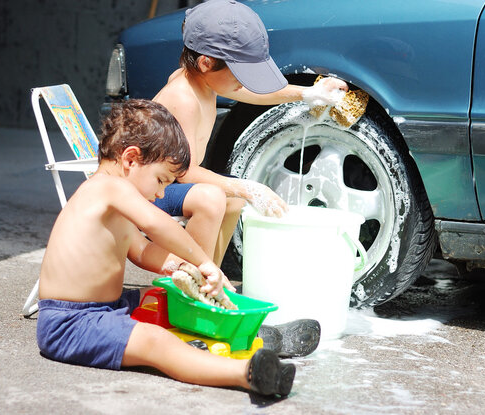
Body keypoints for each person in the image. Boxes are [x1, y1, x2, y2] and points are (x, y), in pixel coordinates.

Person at [36, 99, 295, 397]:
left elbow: (141, 251)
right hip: (70, 324)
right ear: (130, 159)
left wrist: (182, 267)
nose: (161, 192)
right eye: (161, 180)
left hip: (108, 308)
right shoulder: (107, 187)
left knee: (169, 300)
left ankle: (255, 336)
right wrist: (203, 262)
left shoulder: (113, 198)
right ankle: (248, 373)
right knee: (155, 341)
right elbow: (157, 224)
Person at [153, 0, 347, 357]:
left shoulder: (205, 79)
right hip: (150, 191)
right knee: (213, 197)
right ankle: (190, 291)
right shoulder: (182, 97)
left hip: (170, 183)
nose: (242, 81)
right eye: (239, 71)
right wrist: (244, 183)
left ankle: (207, 281)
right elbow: (181, 171)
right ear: (207, 63)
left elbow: (252, 91)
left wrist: (306, 93)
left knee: (232, 200)